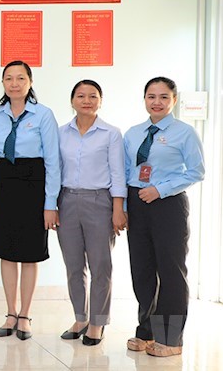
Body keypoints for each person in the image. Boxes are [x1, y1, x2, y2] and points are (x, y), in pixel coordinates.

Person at [124, 77, 204, 358]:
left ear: (174, 100)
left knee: (170, 270)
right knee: (142, 270)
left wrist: (160, 189)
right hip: (137, 203)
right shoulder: (133, 133)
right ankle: (147, 331)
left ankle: (170, 338)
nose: (156, 102)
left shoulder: (185, 133)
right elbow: (126, 171)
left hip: (168, 204)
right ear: (144, 99)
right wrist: (123, 206)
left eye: (163, 97)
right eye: (151, 96)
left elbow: (196, 171)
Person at [0, 60, 60, 341]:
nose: (14, 84)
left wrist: (50, 203)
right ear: (3, 83)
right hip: (4, 183)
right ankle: (10, 312)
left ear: (30, 82)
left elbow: (53, 161)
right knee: (6, 251)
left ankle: (25, 314)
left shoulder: (43, 115)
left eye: (20, 78)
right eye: (9, 78)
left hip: (33, 183)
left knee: (30, 252)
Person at [56, 80, 126, 346]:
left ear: (101, 100)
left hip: (100, 202)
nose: (86, 100)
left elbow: (118, 173)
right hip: (67, 201)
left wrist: (118, 209)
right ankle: (80, 318)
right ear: (72, 100)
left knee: (100, 266)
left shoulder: (111, 133)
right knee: (74, 266)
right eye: (81, 95)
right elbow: (54, 171)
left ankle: (97, 322)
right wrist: (51, 205)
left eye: (93, 96)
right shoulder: (60, 133)